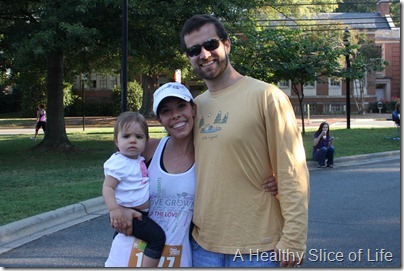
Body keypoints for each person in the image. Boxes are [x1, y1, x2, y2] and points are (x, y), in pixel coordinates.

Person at [180, 14, 309, 268]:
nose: (204, 55)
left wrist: (294, 240)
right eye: (194, 50)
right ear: (188, 58)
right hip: (203, 246)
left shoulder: (267, 96)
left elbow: (292, 171)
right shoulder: (195, 107)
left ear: (226, 44)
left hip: (258, 249)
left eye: (210, 45)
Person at [104, 82, 278, 267]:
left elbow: (241, 170)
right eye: (166, 111)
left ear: (193, 109)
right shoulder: (150, 148)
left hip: (179, 255)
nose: (176, 115)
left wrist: (272, 180)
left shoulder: (212, 150)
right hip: (131, 251)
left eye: (181, 106)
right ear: (159, 119)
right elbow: (117, 178)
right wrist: (118, 210)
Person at [102, 111, 166, 267]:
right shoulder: (119, 163)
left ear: (146, 141)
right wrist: (114, 210)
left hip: (139, 213)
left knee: (123, 239)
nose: (132, 141)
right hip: (131, 215)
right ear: (116, 141)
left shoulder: (137, 159)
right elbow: (108, 187)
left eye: (138, 137)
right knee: (157, 238)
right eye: (126, 136)